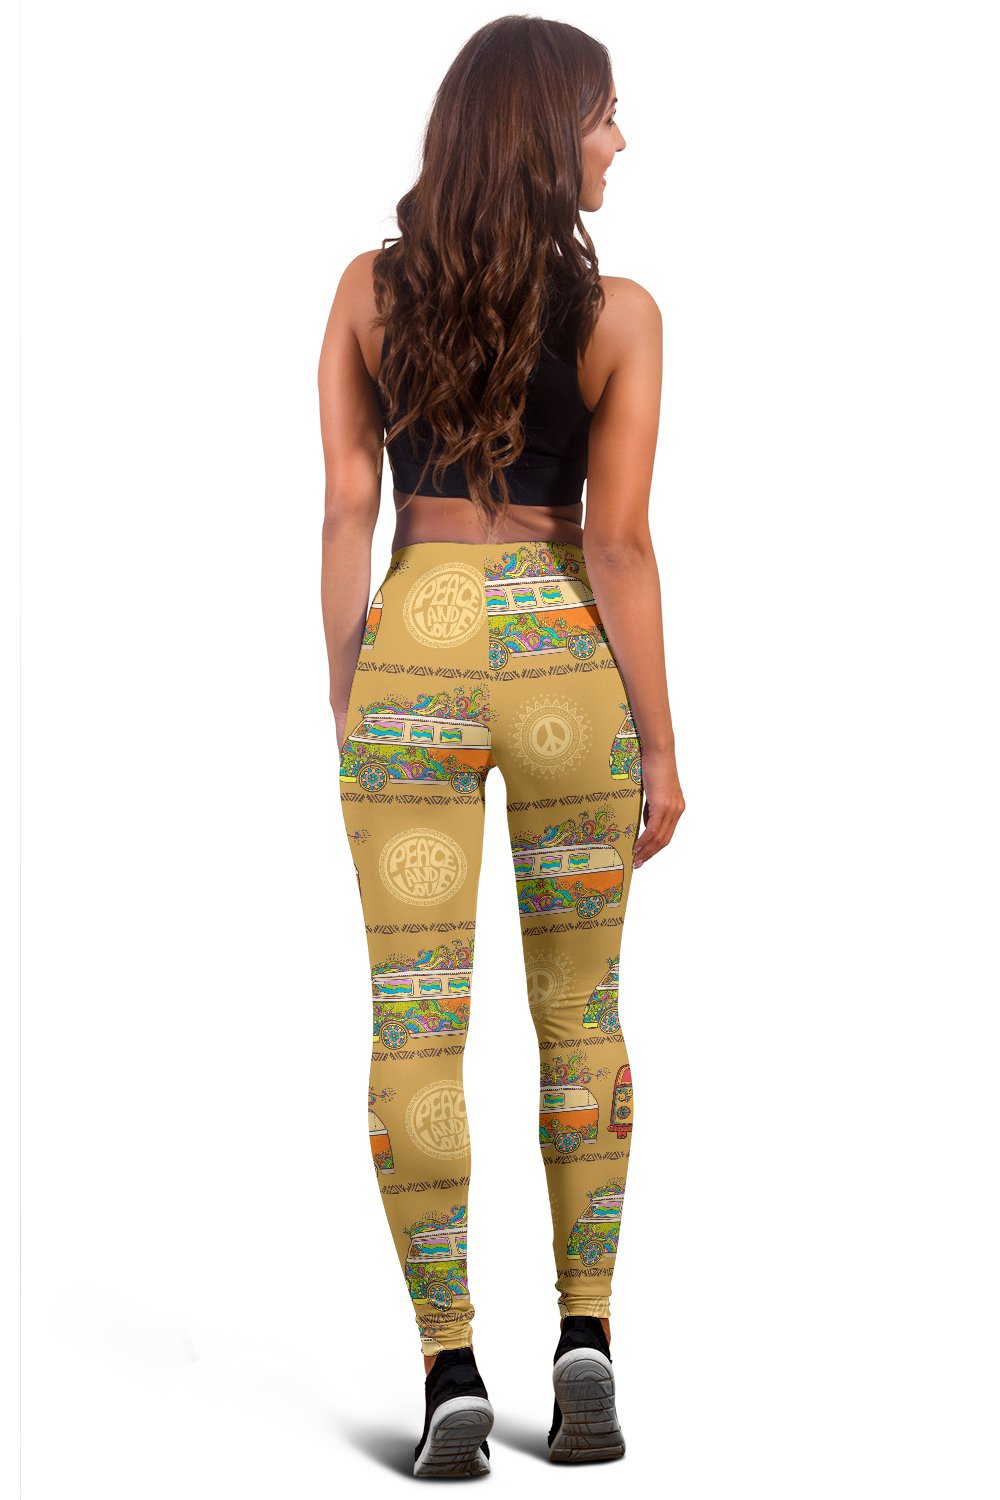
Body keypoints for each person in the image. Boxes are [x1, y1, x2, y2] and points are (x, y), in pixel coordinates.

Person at [318, 15, 684, 1477]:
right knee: (581, 1014)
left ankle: (449, 1370)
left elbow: (348, 510)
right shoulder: (620, 317)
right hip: (560, 663)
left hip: (413, 633)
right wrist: (663, 747)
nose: (619, 141)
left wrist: (352, 688)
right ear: (543, 132)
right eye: (602, 115)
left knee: (416, 1023)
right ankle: (585, 1339)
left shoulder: (366, 291)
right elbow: (624, 544)